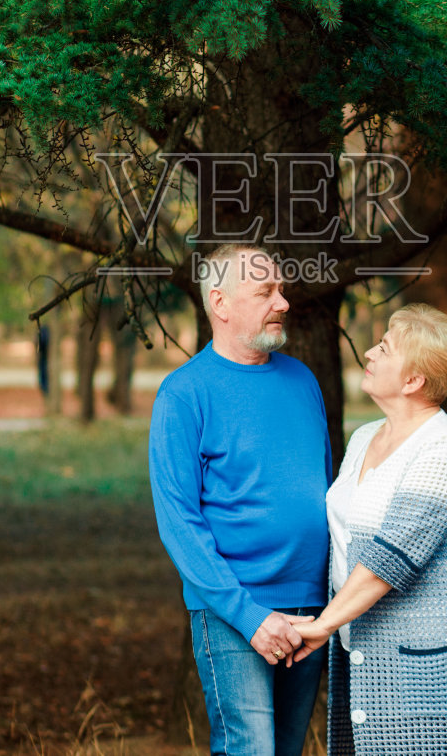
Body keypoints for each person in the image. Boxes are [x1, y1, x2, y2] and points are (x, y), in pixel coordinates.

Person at [148, 244, 334, 756]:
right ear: (221, 303)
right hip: (234, 609)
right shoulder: (184, 394)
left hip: (312, 608)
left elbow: (323, 489)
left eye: (281, 289)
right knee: (250, 748)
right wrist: (250, 617)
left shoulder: (303, 381)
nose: (283, 303)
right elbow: (179, 523)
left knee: (287, 748)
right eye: (265, 292)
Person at [290, 303, 447, 756]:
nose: (368, 352)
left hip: (433, 660)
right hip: (363, 650)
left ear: (412, 381)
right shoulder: (364, 437)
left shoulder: (443, 449)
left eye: (384, 348)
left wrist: (321, 625)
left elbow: (390, 558)